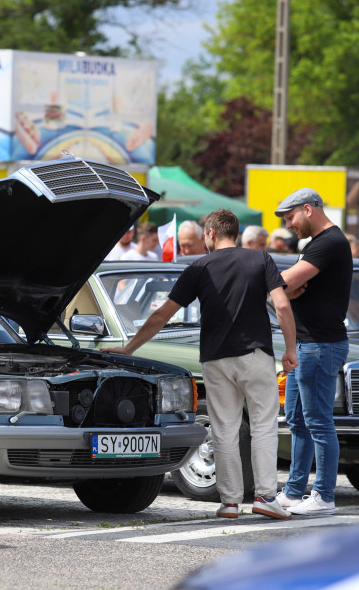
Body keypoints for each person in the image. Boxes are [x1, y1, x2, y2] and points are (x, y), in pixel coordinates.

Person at [105, 209, 298, 521]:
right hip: (256, 355)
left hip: (215, 357)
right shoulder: (261, 260)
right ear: (236, 232)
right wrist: (290, 349)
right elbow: (283, 305)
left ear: (210, 234)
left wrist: (129, 347)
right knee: (264, 426)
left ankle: (230, 503)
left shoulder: (199, 266)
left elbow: (161, 314)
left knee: (224, 430)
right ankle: (265, 496)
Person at [274, 188, 352, 516]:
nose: (289, 225)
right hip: (307, 346)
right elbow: (282, 290)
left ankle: (323, 495)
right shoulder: (317, 244)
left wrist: (280, 290)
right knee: (297, 420)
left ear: (308, 209)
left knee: (318, 421)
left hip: (320, 345)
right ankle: (294, 492)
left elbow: (282, 282)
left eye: (290, 217)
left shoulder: (329, 242)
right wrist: (282, 292)